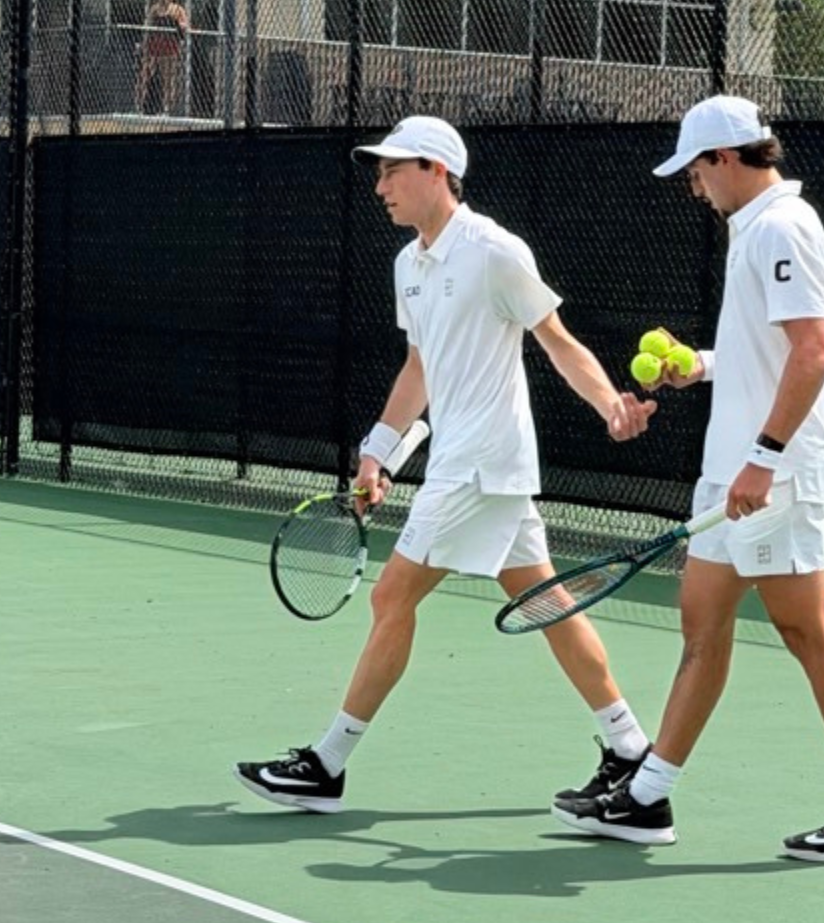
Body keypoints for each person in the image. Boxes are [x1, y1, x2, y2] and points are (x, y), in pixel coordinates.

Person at [235, 116, 660, 815]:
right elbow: (420, 367)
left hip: (480, 466)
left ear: (437, 170)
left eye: (392, 171)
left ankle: (327, 764)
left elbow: (553, 338)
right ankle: (629, 748)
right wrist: (380, 451)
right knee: (549, 602)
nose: (380, 187)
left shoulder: (494, 252)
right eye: (378, 173)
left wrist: (610, 403)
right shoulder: (409, 265)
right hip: (469, 464)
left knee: (390, 596)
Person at [554, 96, 824, 863]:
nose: (693, 188)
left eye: (695, 173)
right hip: (735, 469)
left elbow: (815, 352)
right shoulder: (753, 230)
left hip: (771, 474)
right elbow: (771, 352)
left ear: (724, 159)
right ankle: (647, 799)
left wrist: (766, 456)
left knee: (806, 632)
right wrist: (703, 366)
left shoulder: (783, 226)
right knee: (702, 625)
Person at [134, 0, 189, 115]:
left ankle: (167, 108)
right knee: (145, 75)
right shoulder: (154, 9)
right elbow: (147, 26)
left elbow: (184, 23)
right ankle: (141, 105)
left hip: (169, 46)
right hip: (154, 45)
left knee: (168, 78)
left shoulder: (177, 9)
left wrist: (180, 26)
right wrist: (144, 43)